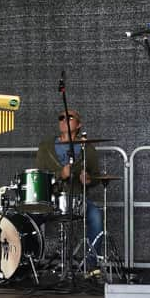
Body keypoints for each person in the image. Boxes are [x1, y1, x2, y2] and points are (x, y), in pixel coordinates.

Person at [35, 109, 103, 266]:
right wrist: (60, 174)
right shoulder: (46, 146)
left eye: (69, 117)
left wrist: (88, 180)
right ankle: (29, 262)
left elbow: (96, 177)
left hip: (77, 199)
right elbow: (39, 176)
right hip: (50, 200)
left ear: (79, 124)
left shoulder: (87, 148)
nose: (64, 120)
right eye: (61, 117)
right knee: (29, 218)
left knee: (96, 217)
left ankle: (91, 266)